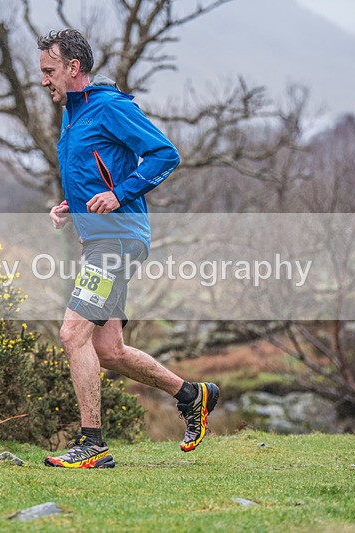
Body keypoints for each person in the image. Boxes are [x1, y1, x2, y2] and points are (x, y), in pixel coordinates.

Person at [38, 29, 219, 469]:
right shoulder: (74, 114)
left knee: (71, 333)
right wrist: (73, 206)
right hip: (101, 239)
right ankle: (193, 395)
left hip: (117, 239)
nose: (44, 81)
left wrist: (119, 194)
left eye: (49, 71)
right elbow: (95, 169)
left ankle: (92, 444)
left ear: (73, 67)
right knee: (109, 350)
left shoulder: (111, 107)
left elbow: (164, 154)